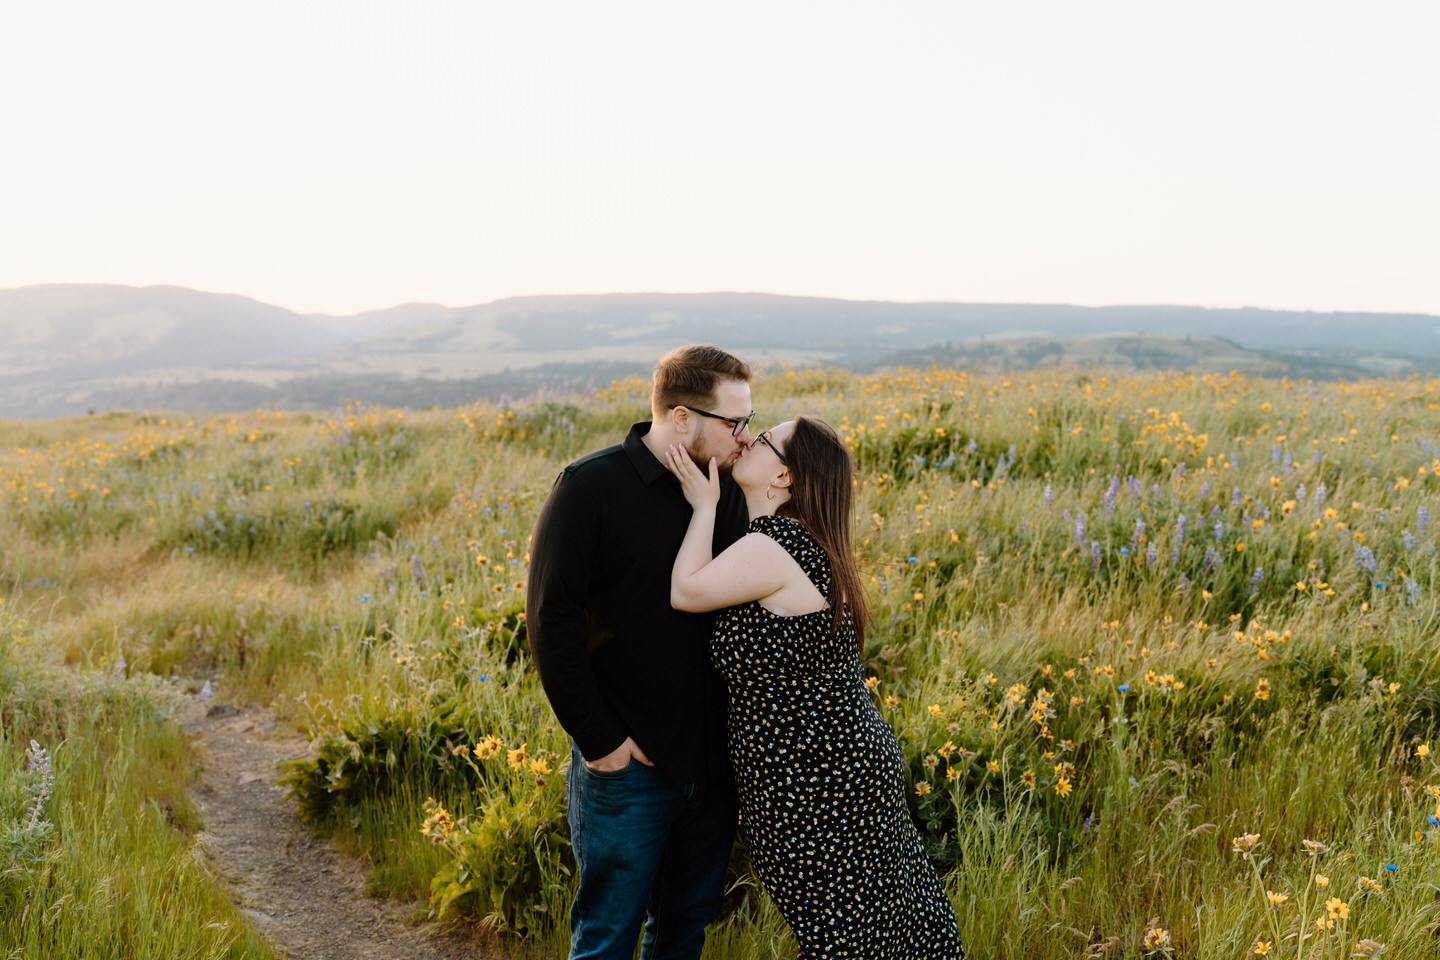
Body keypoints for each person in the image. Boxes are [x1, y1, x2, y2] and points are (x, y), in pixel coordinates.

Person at [662, 415, 966, 959]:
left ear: (784, 478)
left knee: (843, 936)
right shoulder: (801, 542)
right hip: (832, 768)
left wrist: (704, 507)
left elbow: (686, 592)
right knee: (871, 929)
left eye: (763, 440)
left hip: (815, 780)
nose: (746, 441)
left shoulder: (776, 546)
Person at [526, 345, 755, 960]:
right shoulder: (589, 488)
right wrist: (600, 743)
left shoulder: (733, 493)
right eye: (734, 423)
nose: (745, 437)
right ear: (682, 418)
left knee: (683, 934)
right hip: (628, 770)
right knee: (606, 938)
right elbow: (551, 622)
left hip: (712, 769)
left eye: (751, 421)